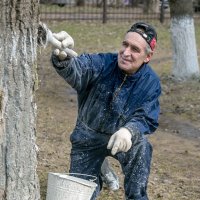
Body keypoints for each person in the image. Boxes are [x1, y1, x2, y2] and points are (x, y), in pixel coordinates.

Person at [50, 22, 161, 200]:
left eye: (135, 49)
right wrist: (64, 59)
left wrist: (129, 131)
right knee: (78, 196)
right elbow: (79, 70)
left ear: (148, 57)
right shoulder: (102, 63)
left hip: (122, 140)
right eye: (125, 45)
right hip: (87, 138)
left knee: (142, 147)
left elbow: (147, 117)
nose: (126, 53)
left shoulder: (151, 83)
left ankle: (136, 197)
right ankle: (101, 169)